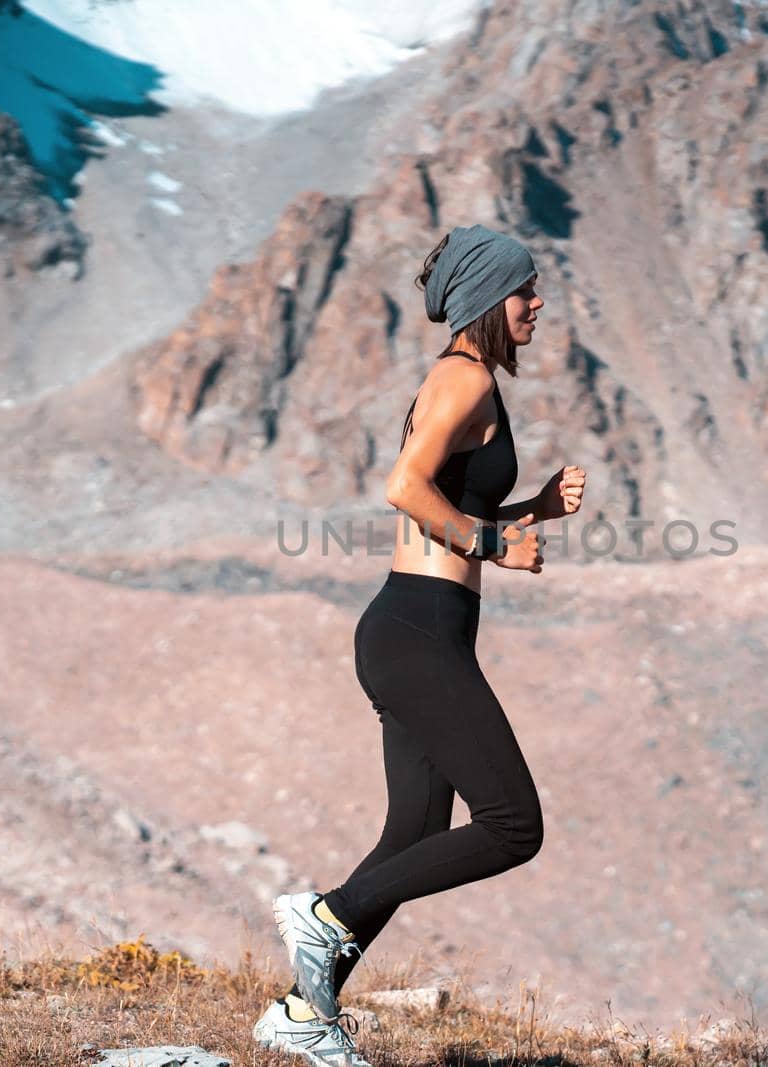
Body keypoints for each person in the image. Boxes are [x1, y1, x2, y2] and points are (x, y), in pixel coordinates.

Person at [252, 224, 587, 1066]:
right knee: (514, 825)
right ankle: (326, 912)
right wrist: (495, 545)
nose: (538, 303)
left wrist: (530, 514)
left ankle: (301, 1011)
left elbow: (446, 512)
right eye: (526, 290)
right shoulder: (462, 378)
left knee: (412, 832)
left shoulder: (472, 382)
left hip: (423, 630)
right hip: (415, 634)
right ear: (486, 300)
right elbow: (403, 487)